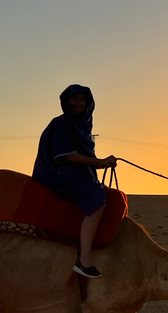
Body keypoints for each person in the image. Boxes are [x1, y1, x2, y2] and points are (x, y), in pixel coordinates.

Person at [33, 84, 117, 278]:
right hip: (58, 173)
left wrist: (101, 163)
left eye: (82, 100)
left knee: (107, 194)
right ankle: (84, 260)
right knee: (96, 199)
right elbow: (68, 156)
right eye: (75, 99)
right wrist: (101, 162)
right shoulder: (61, 124)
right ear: (66, 102)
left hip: (76, 172)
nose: (79, 103)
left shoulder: (83, 126)